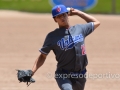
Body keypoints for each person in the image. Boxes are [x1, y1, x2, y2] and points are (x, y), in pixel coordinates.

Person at [31, 4, 100, 90]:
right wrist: (32, 72)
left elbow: (96, 22)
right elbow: (42, 55)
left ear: (68, 15)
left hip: (81, 75)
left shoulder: (80, 29)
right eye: (58, 16)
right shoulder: (52, 37)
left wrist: (78, 12)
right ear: (55, 20)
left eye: (64, 14)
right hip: (63, 74)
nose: (62, 18)